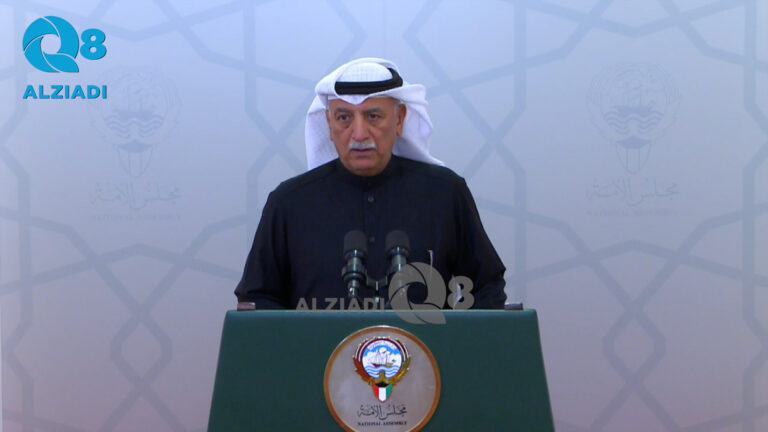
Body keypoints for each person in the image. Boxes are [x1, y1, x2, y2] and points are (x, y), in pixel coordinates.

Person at [235, 57, 506, 309]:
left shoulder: (444, 194)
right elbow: (258, 298)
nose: (359, 134)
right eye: (344, 118)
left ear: (399, 119)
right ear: (328, 123)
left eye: (373, 116)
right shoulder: (289, 203)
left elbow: (487, 288)